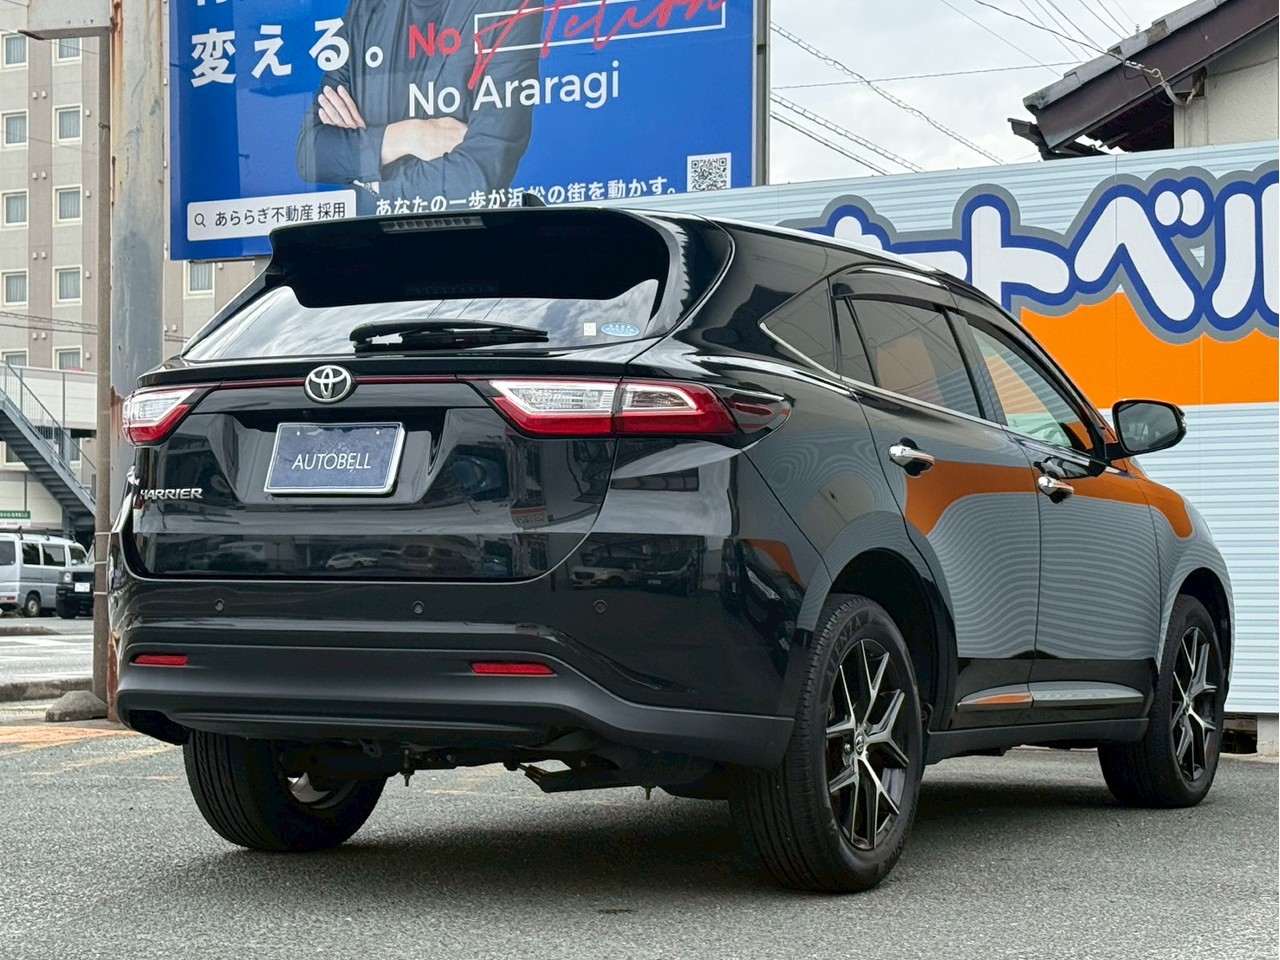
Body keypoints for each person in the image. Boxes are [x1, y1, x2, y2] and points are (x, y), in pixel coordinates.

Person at [296, 0, 543, 213]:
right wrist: (407, 136)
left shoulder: (510, 4)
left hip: (460, 240)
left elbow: (478, 176)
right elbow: (311, 152)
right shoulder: (368, 7)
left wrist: (371, 183)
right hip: (370, 244)